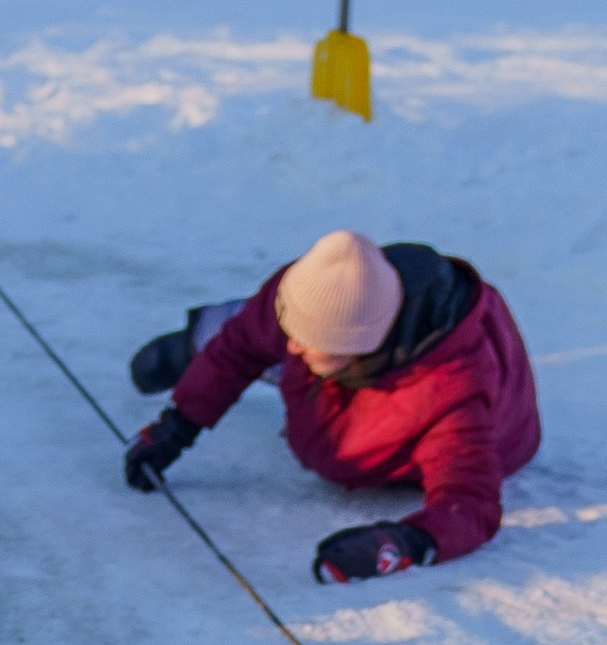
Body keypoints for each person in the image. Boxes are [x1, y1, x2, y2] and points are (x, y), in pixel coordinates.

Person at [120, 230, 540, 580]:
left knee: (315, 398)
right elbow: (245, 343)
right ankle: (203, 332)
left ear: (359, 349)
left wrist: (402, 543)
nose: (292, 345)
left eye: (310, 341)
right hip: (343, 362)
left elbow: (469, 504)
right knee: (256, 330)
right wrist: (179, 424)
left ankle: (262, 345)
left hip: (433, 415)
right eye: (293, 330)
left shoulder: (453, 394)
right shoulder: (325, 289)